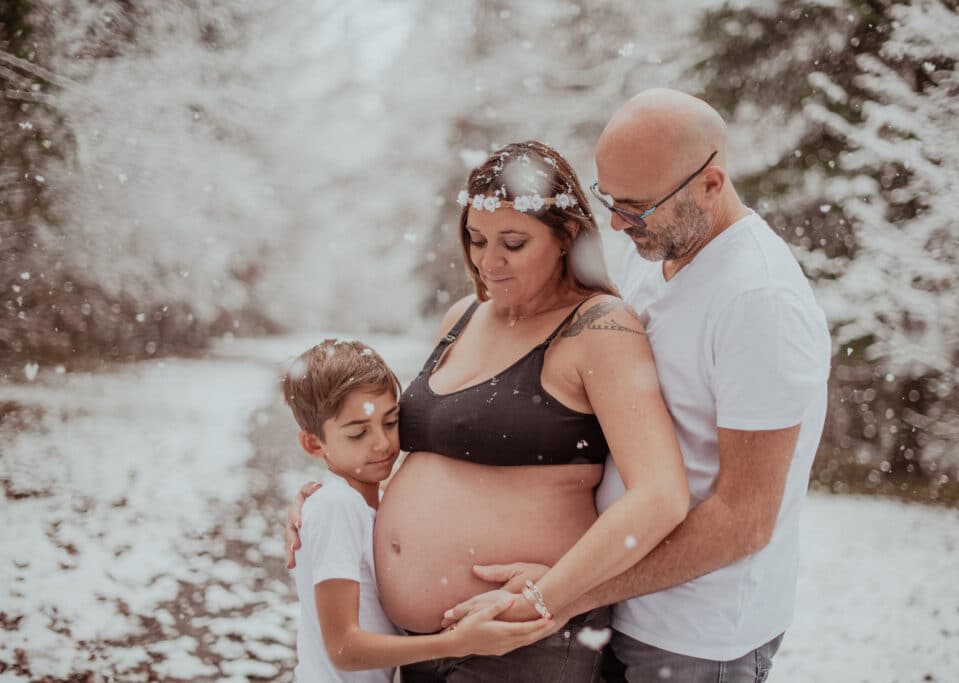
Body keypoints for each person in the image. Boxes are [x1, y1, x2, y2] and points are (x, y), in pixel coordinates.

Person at [445, 90, 832, 682]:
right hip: (614, 610)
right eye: (610, 201)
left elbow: (743, 519)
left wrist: (562, 595)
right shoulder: (656, 251)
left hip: (697, 636)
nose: (621, 225)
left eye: (639, 207)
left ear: (711, 182)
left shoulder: (759, 302)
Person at [285, 141, 691, 681]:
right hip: (417, 644)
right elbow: (424, 460)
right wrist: (335, 495)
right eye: (476, 240)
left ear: (566, 236)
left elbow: (660, 497)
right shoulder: (463, 317)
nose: (487, 261)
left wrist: (546, 598)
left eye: (513, 243)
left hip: (519, 642)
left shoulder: (600, 328)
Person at [280, 339, 557, 682]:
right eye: (358, 433)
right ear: (313, 443)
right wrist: (455, 643)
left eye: (390, 421)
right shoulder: (336, 506)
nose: (382, 443)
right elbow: (343, 649)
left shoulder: (366, 501)